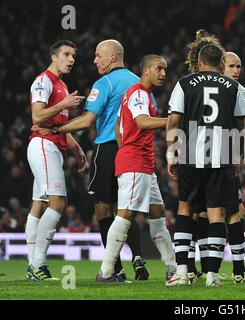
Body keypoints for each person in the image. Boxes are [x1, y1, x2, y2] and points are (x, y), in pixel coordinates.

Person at [33, 40, 147, 279]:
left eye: (98, 56)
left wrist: (55, 131)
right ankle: (138, 258)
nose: (94, 61)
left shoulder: (103, 82)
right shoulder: (139, 83)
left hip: (108, 149)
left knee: (104, 210)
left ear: (113, 58)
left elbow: (86, 121)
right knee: (125, 209)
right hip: (134, 151)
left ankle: (114, 268)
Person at [166, 44, 245, 287]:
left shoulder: (184, 83)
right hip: (222, 155)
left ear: (198, 62)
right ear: (221, 64)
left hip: (191, 155)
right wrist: (237, 155)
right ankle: (212, 276)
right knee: (218, 213)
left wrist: (171, 153)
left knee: (186, 209)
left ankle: (183, 272)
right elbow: (240, 125)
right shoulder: (234, 86)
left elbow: (174, 119)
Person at [96, 54, 171, 282]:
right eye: (159, 69)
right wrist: (173, 121)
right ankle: (106, 271)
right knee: (125, 214)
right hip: (136, 163)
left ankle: (173, 267)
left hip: (142, 163)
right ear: (146, 70)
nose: (163, 74)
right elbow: (142, 122)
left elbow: (119, 126)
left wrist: (126, 146)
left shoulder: (136, 94)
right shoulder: (138, 92)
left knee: (158, 215)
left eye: (165, 70)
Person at [26, 40, 88, 280]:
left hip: (52, 146)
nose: (71, 59)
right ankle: (38, 265)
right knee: (58, 203)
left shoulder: (61, 85)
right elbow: (37, 115)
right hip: (43, 146)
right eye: (66, 54)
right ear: (53, 56)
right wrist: (63, 104)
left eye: (73, 55)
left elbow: (60, 127)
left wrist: (78, 150)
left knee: (39, 205)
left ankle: (33, 264)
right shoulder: (44, 81)